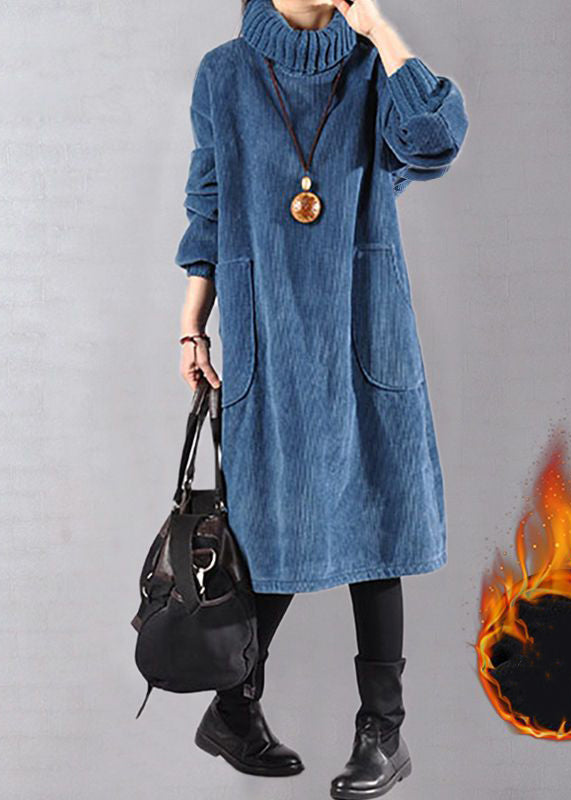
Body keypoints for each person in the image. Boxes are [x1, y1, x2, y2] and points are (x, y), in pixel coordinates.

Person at [174, 1, 468, 797]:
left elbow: (435, 140)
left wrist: (380, 31)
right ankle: (234, 707)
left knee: (377, 516)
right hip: (270, 329)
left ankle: (383, 732)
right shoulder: (225, 75)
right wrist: (192, 328)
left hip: (364, 320)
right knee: (276, 528)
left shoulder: (373, 67)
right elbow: (209, 206)